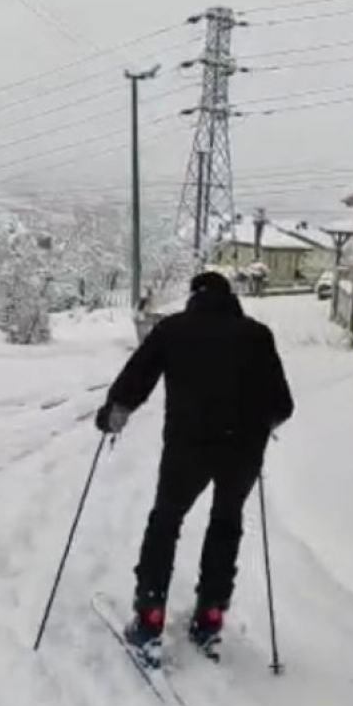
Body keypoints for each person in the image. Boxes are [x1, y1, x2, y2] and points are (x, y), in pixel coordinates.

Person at [95, 271, 294, 656]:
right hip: (242, 451)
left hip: (188, 447)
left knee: (166, 520)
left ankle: (151, 613)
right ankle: (210, 614)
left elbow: (138, 376)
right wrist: (261, 424)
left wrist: (116, 411)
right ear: (230, 297)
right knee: (226, 523)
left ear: (194, 296)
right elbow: (282, 404)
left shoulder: (174, 330)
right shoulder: (257, 336)